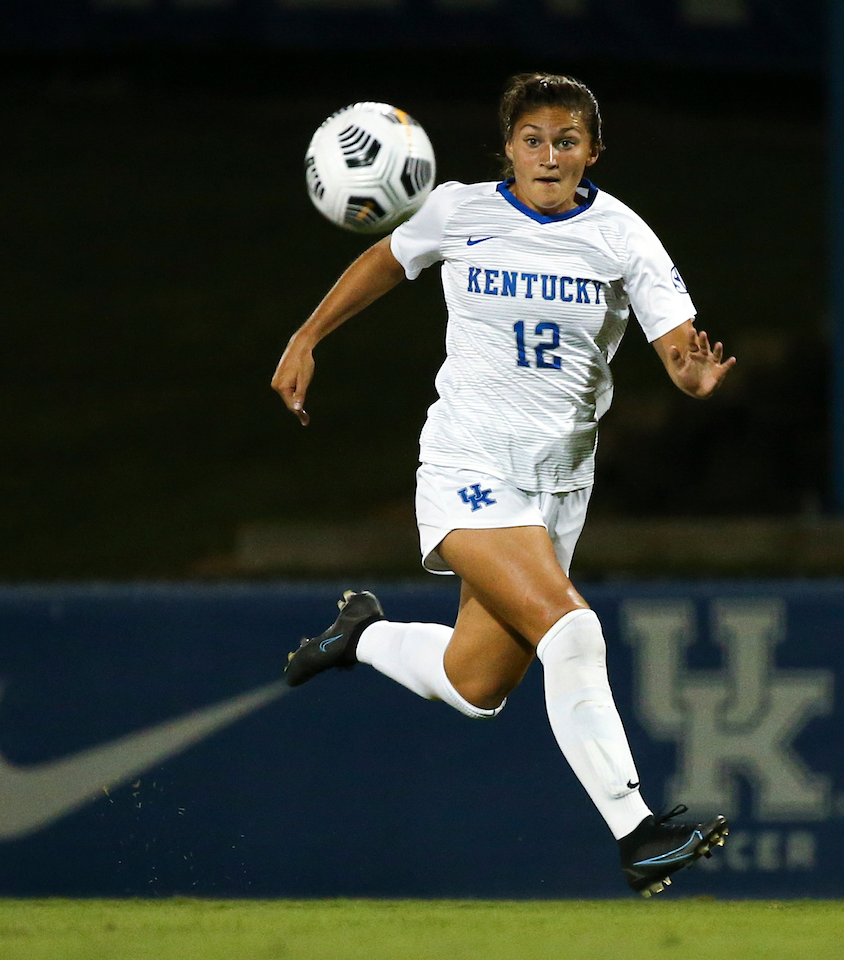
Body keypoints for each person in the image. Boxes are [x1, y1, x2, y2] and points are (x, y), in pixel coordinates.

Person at [270, 72, 732, 896]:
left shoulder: (624, 236)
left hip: (557, 487)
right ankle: (637, 830)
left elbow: (677, 347)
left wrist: (692, 377)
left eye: (565, 141)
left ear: (593, 151)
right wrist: (307, 335)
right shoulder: (459, 209)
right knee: (572, 630)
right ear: (507, 149)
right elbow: (385, 259)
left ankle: (360, 636)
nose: (547, 156)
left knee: (474, 685)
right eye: (531, 140)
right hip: (467, 465)